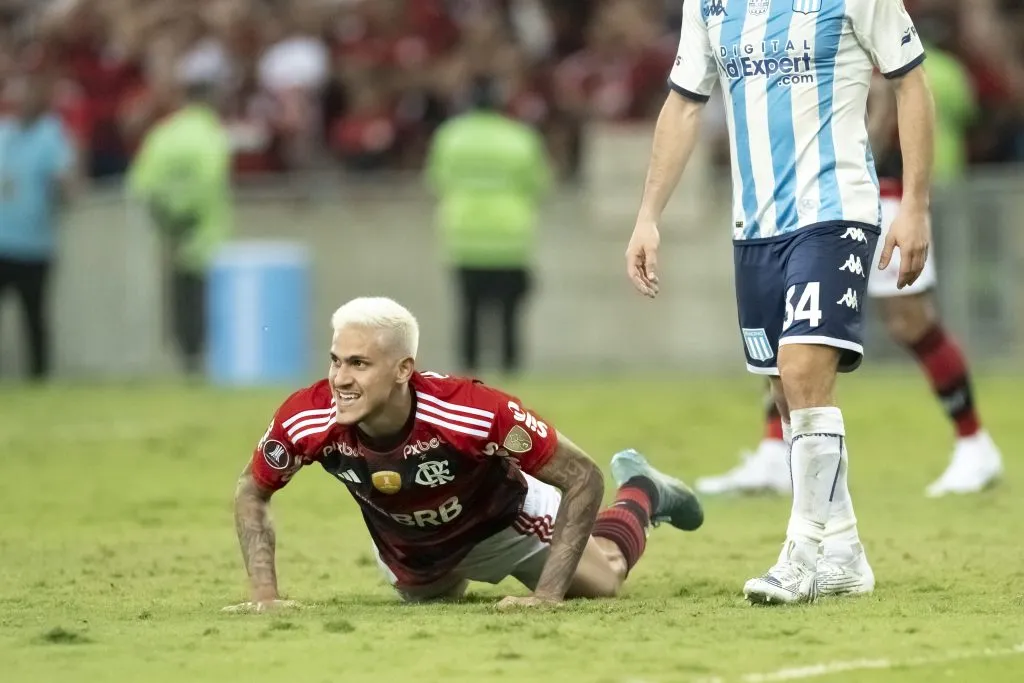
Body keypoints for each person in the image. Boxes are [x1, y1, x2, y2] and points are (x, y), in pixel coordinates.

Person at [625, 0, 934, 604]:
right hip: (756, 227)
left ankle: (801, 555)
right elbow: (685, 103)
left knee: (802, 371)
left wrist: (916, 203)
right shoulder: (708, 5)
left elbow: (910, 79)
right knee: (783, 390)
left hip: (834, 210)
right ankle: (844, 551)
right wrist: (647, 216)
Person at [224, 297, 703, 611]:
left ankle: (642, 490)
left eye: (359, 364)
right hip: (410, 551)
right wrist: (264, 595)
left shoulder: (473, 412)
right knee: (429, 601)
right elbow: (252, 488)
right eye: (335, 360)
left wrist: (546, 597)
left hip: (505, 525)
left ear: (403, 370)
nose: (340, 379)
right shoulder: (307, 418)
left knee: (608, 578)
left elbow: (582, 477)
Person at [697, 52, 1003, 500]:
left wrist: (858, 164)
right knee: (788, 321)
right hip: (811, 200)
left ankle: (974, 442)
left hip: (874, 193)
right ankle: (775, 449)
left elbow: (880, 97)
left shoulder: (850, 16)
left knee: (909, 319)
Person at [425, 76, 552, 376]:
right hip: (510, 238)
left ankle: (468, 376)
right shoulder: (520, 137)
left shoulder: (450, 136)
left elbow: (436, 180)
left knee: (468, 312)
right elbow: (539, 183)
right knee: (509, 314)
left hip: (464, 236)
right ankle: (511, 374)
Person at [127, 73, 232, 375]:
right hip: (208, 238)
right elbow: (210, 182)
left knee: (181, 304)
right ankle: (210, 367)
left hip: (170, 239)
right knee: (210, 308)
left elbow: (140, 184)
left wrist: (169, 218)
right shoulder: (212, 135)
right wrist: (188, 213)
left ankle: (188, 365)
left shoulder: (163, 134)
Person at [0, 69, 77, 380]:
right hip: (2, 241)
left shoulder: (52, 135)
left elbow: (66, 184)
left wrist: (62, 185)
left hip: (35, 244)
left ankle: (39, 376)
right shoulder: (4, 134)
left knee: (34, 315)